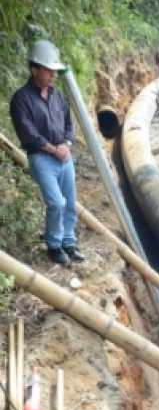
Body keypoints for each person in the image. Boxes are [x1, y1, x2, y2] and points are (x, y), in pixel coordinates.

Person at [9, 40, 84, 267]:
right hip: (42, 158)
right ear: (34, 70)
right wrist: (53, 149)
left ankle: (68, 242)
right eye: (49, 70)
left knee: (70, 202)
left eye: (55, 71)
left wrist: (67, 144)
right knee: (56, 203)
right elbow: (28, 133)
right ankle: (54, 245)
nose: (53, 75)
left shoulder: (58, 96)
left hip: (64, 156)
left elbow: (69, 125)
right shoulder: (21, 99)